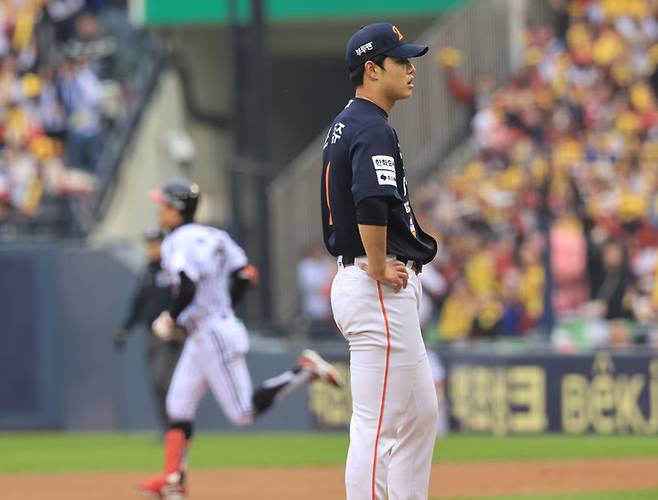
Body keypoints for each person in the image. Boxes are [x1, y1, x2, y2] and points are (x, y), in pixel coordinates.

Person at [136, 180, 343, 499]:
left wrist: (169, 317)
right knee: (177, 406)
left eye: (162, 205)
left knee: (243, 413)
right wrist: (223, 309)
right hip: (209, 330)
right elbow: (246, 275)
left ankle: (303, 371)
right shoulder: (215, 235)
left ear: (176, 211)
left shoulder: (176, 241)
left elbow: (187, 285)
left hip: (212, 333)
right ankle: (173, 481)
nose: (158, 211)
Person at [322, 23, 439, 500]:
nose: (411, 69)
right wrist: (376, 264)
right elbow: (370, 199)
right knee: (376, 426)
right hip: (376, 284)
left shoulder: (349, 122)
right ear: (372, 69)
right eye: (400, 61)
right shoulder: (370, 126)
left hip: (369, 281)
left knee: (421, 414)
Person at [113, 227, 184, 432]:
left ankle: (176, 426)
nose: (151, 248)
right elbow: (138, 304)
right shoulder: (146, 272)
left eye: (155, 244)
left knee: (164, 381)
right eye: (149, 244)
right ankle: (167, 427)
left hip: (170, 334)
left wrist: (179, 326)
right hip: (150, 335)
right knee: (155, 382)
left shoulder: (172, 269)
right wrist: (125, 329)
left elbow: (183, 298)